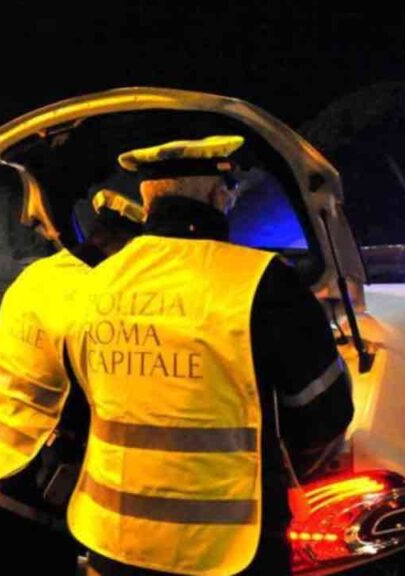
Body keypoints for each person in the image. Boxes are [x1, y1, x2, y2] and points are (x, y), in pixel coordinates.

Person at [63, 136, 354, 576]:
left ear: (148, 198)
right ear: (218, 194)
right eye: (231, 190)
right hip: (226, 550)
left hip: (112, 541)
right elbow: (325, 414)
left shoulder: (93, 285)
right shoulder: (262, 282)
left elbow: (83, 401)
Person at [0, 182, 144, 574]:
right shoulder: (100, 293)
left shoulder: (38, 274)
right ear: (124, 244)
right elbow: (100, 392)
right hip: (32, 484)